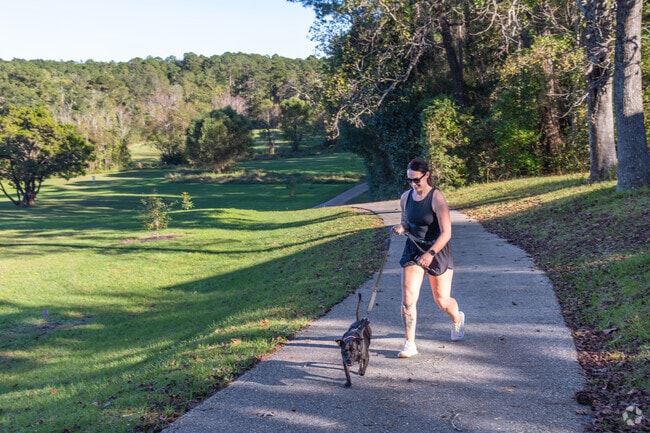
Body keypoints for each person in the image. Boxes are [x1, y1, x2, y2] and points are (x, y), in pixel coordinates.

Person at [391, 157, 465, 358]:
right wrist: (402, 227)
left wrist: (430, 253)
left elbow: (446, 232)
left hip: (436, 250)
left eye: (417, 180)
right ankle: (409, 344)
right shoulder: (406, 197)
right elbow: (406, 221)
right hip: (413, 249)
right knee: (408, 299)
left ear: (427, 175)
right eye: (410, 180)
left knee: (442, 300)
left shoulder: (436, 198)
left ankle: (457, 319)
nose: (414, 184)